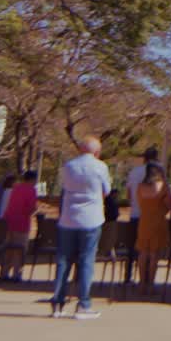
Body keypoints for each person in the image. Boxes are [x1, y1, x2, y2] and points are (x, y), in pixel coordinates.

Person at [49, 136, 112, 319]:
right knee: (86, 261)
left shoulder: (69, 166)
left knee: (63, 260)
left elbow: (64, 188)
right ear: (97, 152)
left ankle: (58, 303)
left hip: (68, 218)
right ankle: (83, 304)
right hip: (91, 219)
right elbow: (106, 191)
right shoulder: (100, 167)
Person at [123, 145, 161, 285]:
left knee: (133, 247)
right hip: (151, 216)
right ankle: (147, 279)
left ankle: (128, 276)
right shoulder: (158, 172)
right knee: (150, 249)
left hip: (135, 214)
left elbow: (128, 194)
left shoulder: (134, 171)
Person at [133, 163, 170, 298]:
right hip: (158, 221)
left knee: (143, 253)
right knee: (154, 254)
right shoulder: (163, 186)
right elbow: (168, 205)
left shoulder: (140, 187)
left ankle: (142, 283)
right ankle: (151, 284)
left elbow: (139, 202)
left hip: (144, 221)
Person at [0, 170, 38, 282]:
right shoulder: (31, 190)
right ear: (33, 179)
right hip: (22, 222)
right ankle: (17, 274)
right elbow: (31, 207)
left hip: (9, 220)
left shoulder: (16, 188)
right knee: (20, 249)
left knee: (9, 248)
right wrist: (34, 211)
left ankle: (4, 272)